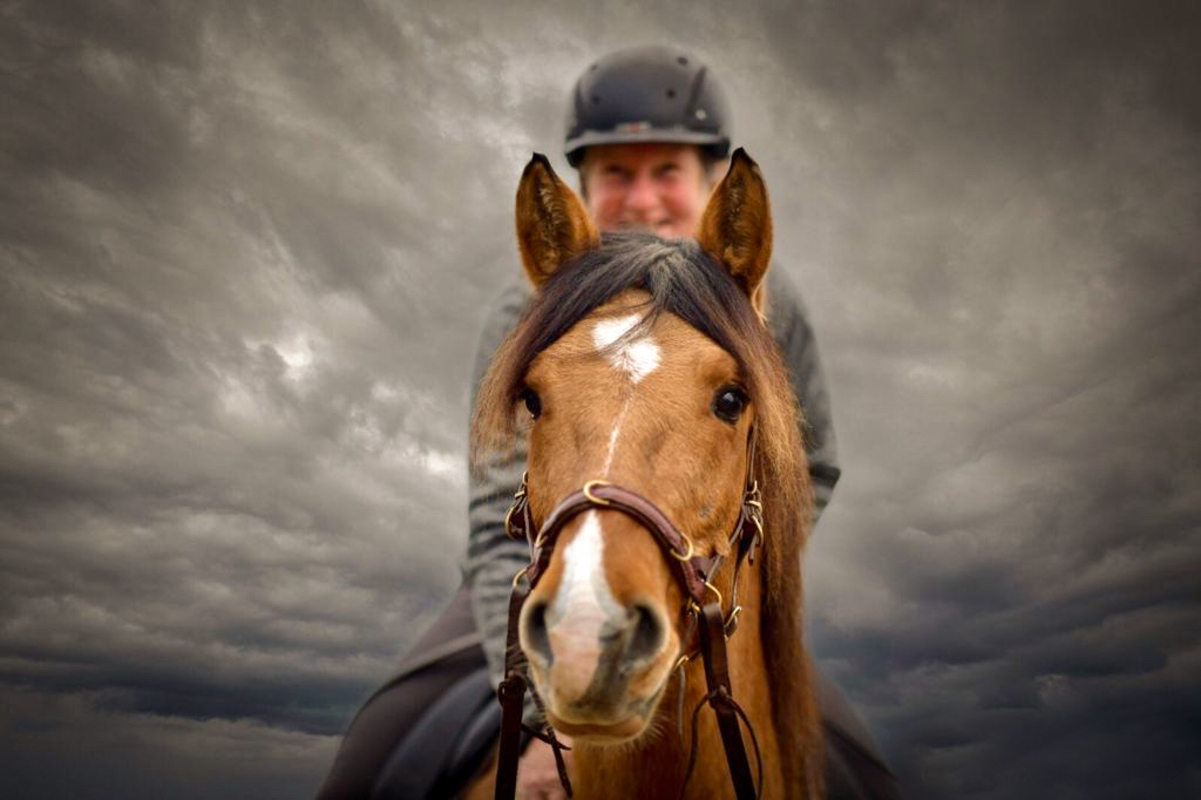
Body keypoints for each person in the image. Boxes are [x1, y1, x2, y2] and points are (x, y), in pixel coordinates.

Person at [317, 45, 895, 800]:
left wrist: (737, 570)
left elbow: (808, 467)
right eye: (616, 174)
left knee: (866, 778)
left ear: (712, 180)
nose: (644, 197)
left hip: (724, 575)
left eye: (667, 172)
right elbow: (499, 501)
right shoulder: (528, 309)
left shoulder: (767, 297)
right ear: (583, 185)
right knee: (376, 756)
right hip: (534, 570)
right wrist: (526, 705)